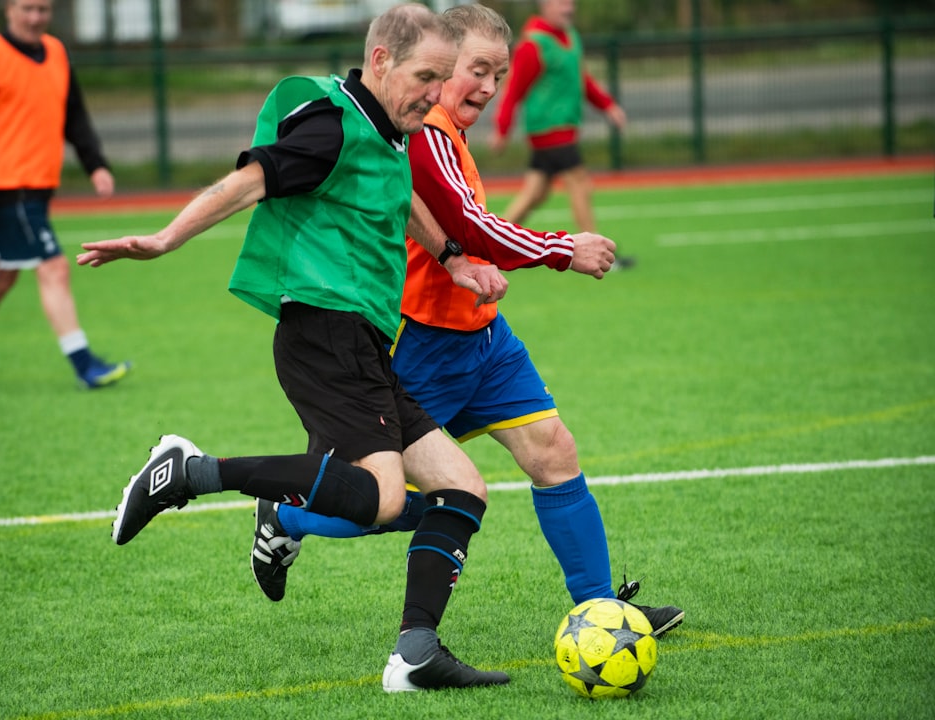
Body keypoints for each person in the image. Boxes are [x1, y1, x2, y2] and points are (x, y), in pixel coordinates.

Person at [77, 3, 511, 693]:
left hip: (363, 341)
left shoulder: (387, 128)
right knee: (381, 499)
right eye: (426, 76)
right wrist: (165, 239)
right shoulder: (334, 122)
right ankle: (187, 471)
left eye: (443, 77)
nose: (437, 92)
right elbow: (252, 179)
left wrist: (452, 257)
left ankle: (415, 655)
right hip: (323, 332)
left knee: (462, 489)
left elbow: (400, 198)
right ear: (380, 61)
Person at [250, 3, 683, 639]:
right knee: (382, 500)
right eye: (476, 70)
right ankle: (283, 518)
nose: (487, 85)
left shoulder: (448, 129)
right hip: (422, 344)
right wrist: (566, 249)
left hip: (484, 338)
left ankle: (599, 611)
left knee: (554, 452)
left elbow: (462, 233)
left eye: (498, 76)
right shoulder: (424, 132)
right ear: (442, 66)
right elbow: (467, 226)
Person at [0, 0, 130, 391]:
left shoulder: (57, 52)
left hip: (38, 186)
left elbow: (74, 114)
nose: (36, 17)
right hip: (7, 187)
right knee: (54, 267)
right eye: (28, 9)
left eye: (43, 9)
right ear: (9, 9)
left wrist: (95, 163)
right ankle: (84, 364)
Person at [487, 0, 631, 267]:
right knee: (580, 183)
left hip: (563, 129)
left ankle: (487, 247)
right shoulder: (533, 44)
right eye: (561, 3)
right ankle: (601, 255)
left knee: (534, 195)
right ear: (545, 6)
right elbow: (514, 89)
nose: (569, 8)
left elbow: (582, 80)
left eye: (570, 3)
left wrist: (608, 106)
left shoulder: (570, 37)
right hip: (548, 130)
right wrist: (502, 128)